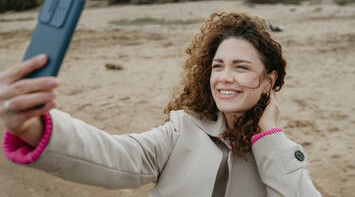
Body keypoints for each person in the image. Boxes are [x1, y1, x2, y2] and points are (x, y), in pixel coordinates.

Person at [0, 12, 321, 196]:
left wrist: (270, 138)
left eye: (241, 67)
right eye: (218, 65)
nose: (224, 77)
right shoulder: (181, 130)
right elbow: (115, 156)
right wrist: (35, 127)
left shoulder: (279, 155)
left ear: (268, 80)